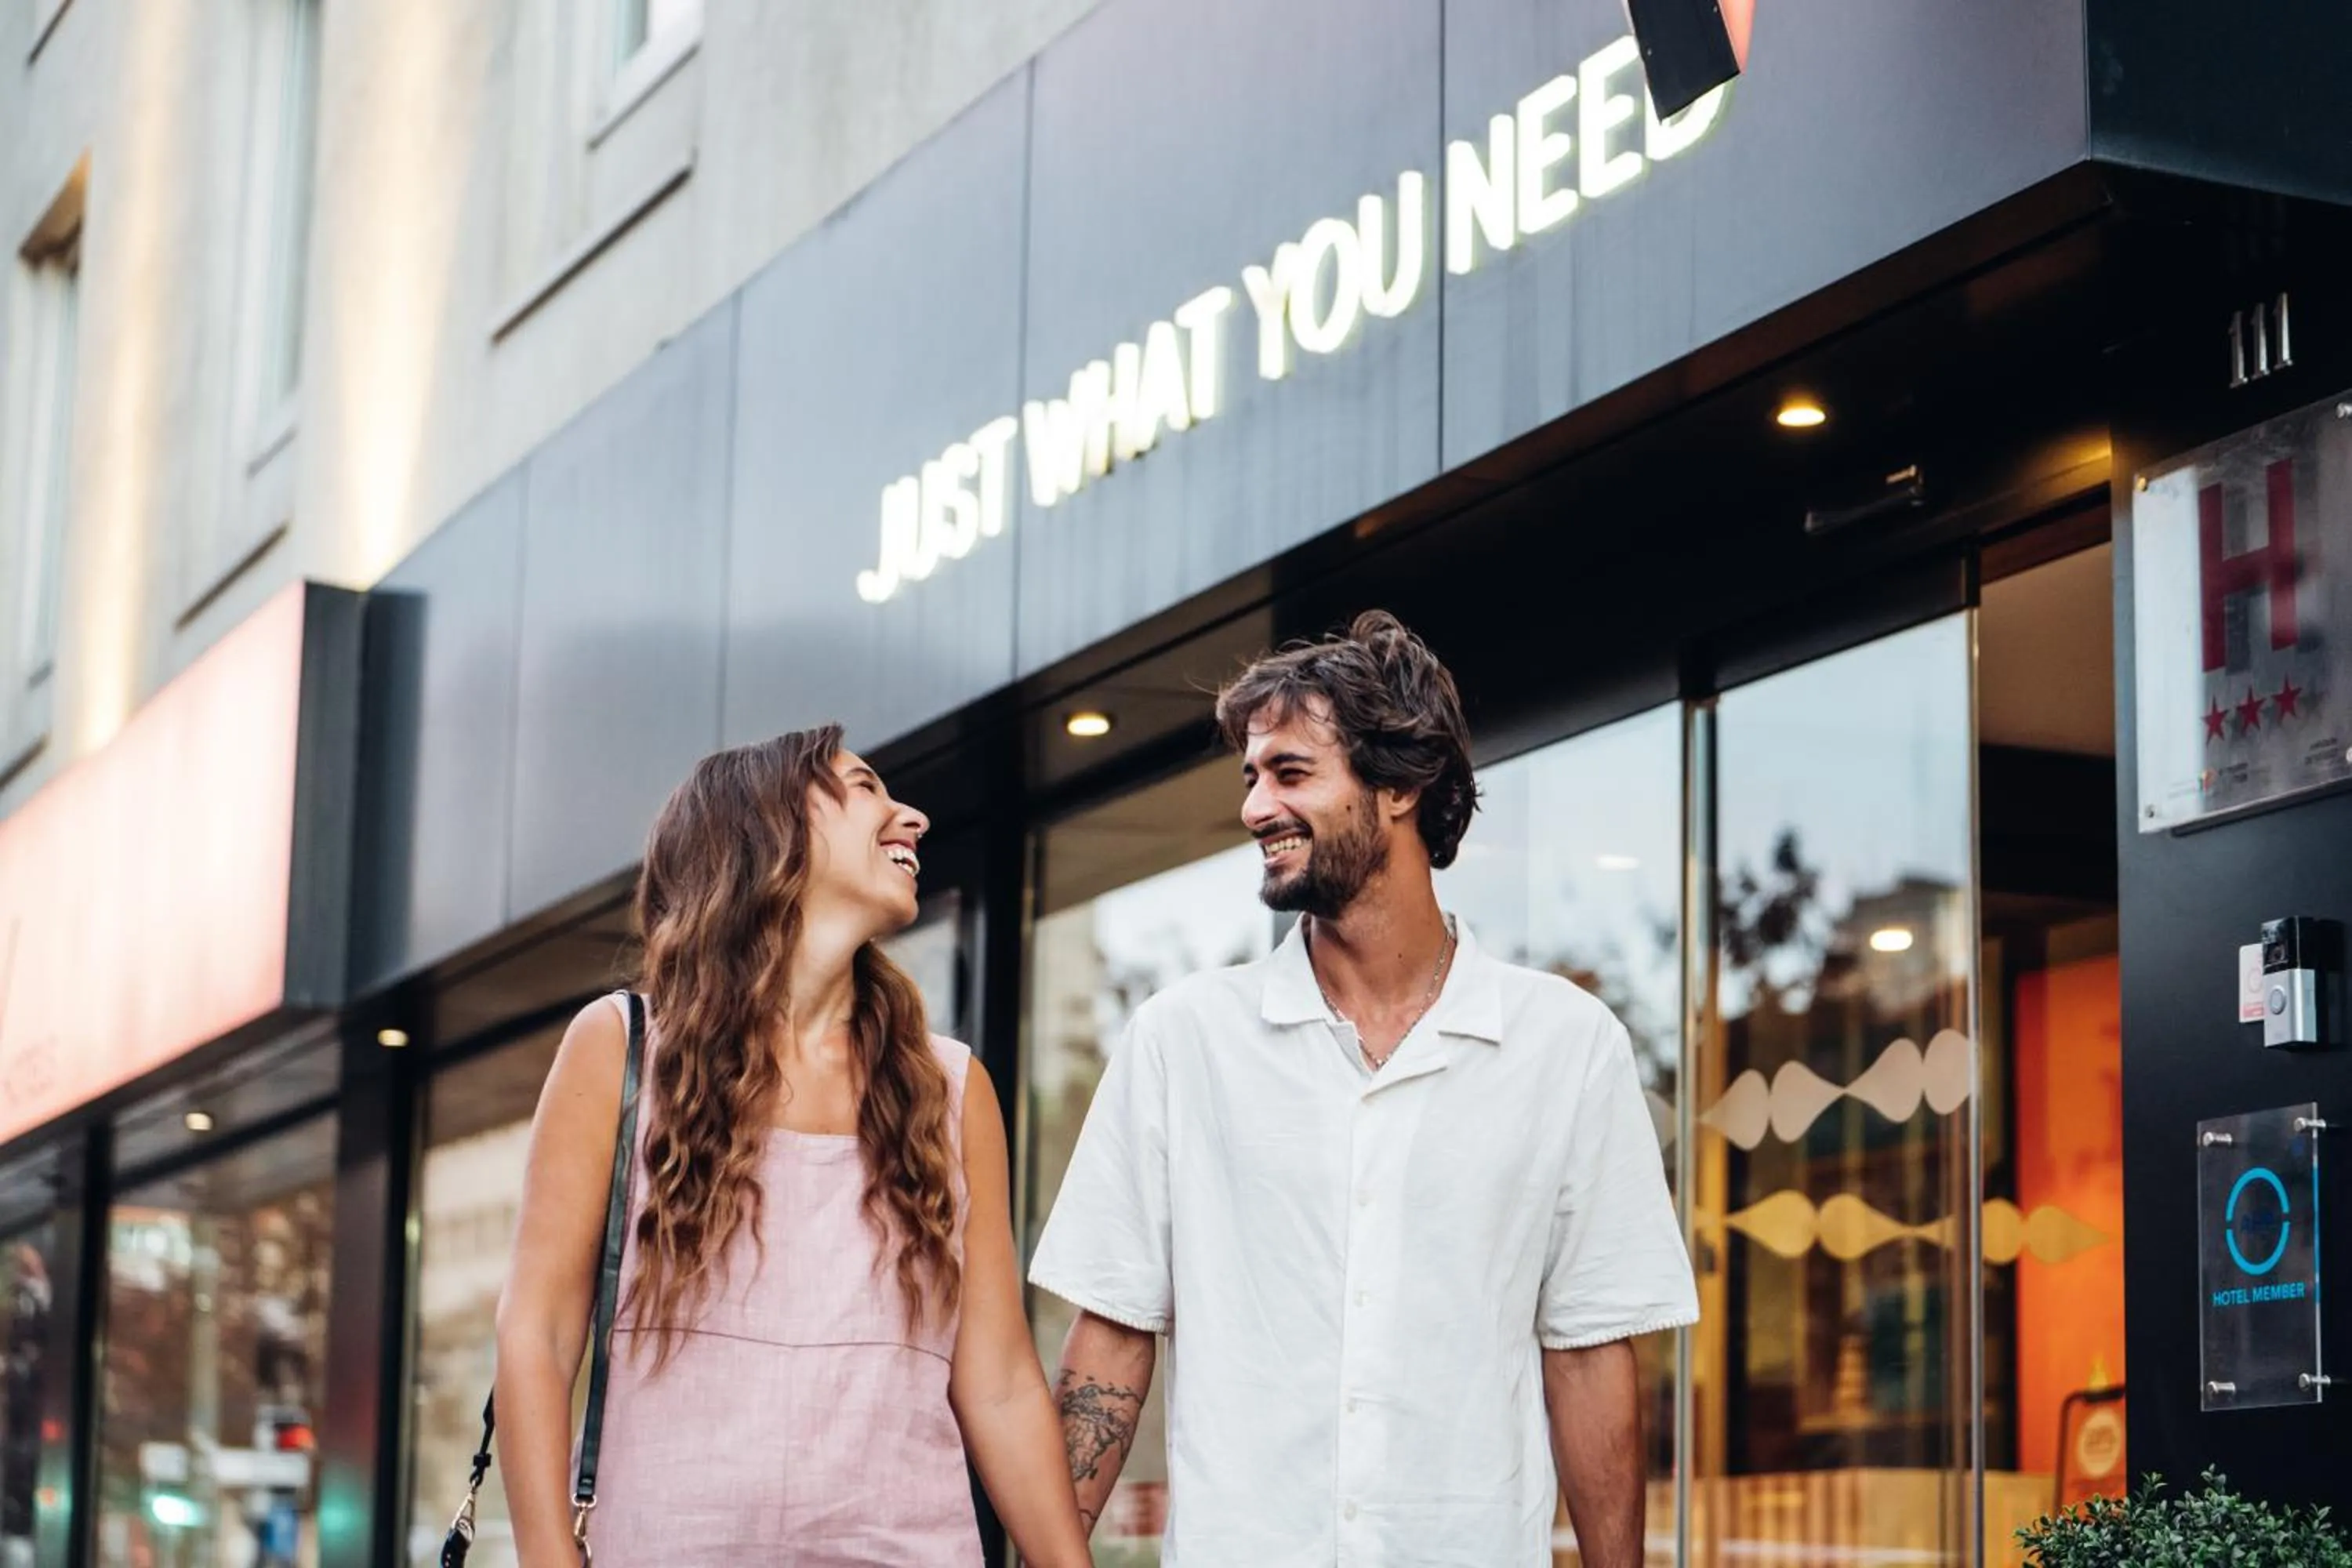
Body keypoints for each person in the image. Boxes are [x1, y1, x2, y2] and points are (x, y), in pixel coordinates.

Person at [1032, 612, 1699, 1566]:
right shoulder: (1184, 1041)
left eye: (1291, 772)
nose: (1257, 806)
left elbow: (1589, 1355)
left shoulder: (1567, 1045)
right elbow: (1111, 1341)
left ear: (1399, 783)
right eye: (1251, 777)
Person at [496, 727, 1091, 1567]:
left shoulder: (952, 1088)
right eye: (865, 787)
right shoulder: (623, 1050)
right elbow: (538, 1333)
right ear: (767, 834)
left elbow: (996, 1379)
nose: (912, 817)